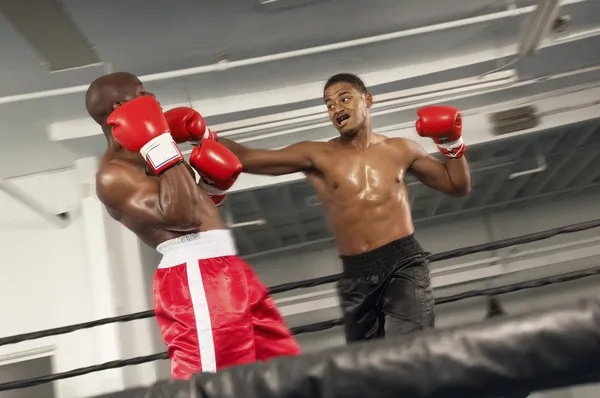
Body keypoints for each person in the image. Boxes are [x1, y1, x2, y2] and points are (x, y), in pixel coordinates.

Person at [218, 73, 471, 343]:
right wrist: (203, 136)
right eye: (329, 104)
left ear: (368, 100)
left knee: (409, 353)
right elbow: (247, 158)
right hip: (355, 273)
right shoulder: (316, 154)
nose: (337, 108)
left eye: (344, 98)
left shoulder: (401, 149)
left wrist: (451, 143)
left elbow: (456, 185)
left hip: (403, 264)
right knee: (364, 368)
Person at [85, 72, 300, 380]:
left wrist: (213, 187)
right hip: (195, 274)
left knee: (279, 366)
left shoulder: (149, 154)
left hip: (225, 266)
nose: (154, 98)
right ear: (121, 105)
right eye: (143, 93)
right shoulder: (113, 174)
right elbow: (183, 217)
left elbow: (200, 209)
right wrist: (159, 143)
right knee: (216, 380)